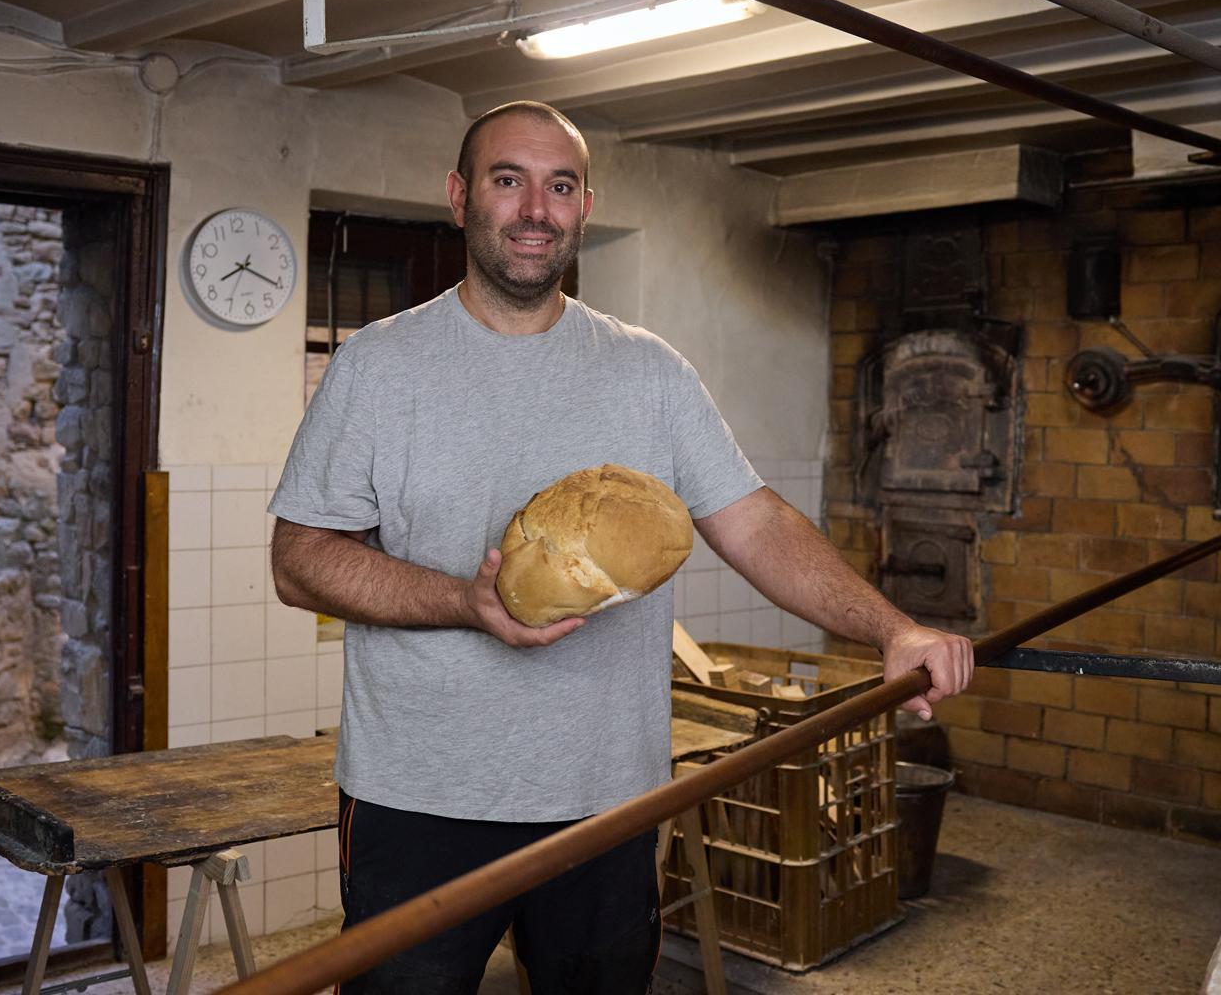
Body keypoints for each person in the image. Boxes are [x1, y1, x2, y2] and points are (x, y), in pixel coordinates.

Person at [268, 101, 974, 994]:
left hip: (604, 800)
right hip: (420, 799)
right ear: (458, 196)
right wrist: (467, 603)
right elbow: (298, 560)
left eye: (559, 185)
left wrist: (892, 630)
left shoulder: (650, 371)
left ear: (585, 204)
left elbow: (753, 523)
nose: (536, 209)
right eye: (507, 180)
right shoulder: (379, 365)